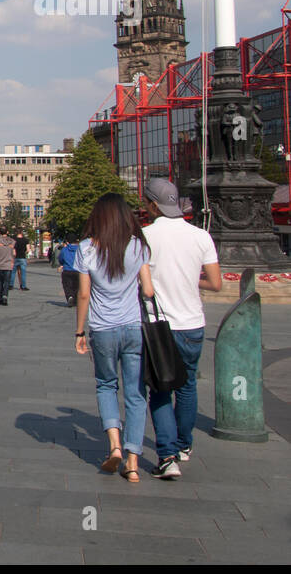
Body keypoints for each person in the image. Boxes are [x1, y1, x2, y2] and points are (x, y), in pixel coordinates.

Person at [141, 178, 222, 480]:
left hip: (159, 325)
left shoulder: (144, 236)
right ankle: (184, 445)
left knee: (160, 389)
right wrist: (191, 280)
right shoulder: (201, 236)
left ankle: (167, 456)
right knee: (187, 387)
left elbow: (140, 282)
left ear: (152, 204)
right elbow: (215, 283)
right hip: (193, 324)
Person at [74, 193, 154, 484]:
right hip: (133, 328)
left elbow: (83, 293)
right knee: (135, 393)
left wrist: (80, 332)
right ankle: (133, 462)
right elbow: (148, 291)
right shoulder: (138, 246)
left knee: (106, 385)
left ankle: (115, 446)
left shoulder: (86, 248)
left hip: (102, 328)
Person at [59, 239, 80, 306]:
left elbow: (61, 259)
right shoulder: (80, 249)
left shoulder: (64, 249)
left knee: (67, 285)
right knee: (76, 286)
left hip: (67, 270)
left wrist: (62, 263)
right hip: (77, 270)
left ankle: (70, 297)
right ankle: (76, 300)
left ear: (67, 242)